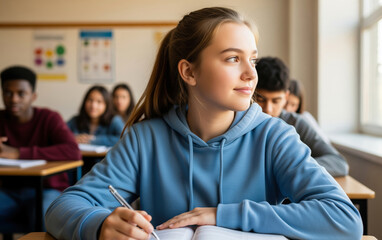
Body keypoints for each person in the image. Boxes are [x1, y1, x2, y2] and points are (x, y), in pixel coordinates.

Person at [45, 7, 362, 240]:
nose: (251, 74)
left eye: (251, 59)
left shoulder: (275, 135)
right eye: (232, 59)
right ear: (189, 72)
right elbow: (62, 207)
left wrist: (222, 215)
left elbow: (345, 219)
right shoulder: (145, 139)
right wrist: (100, 224)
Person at [0, 66, 81, 232]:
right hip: (8, 191)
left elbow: (73, 151)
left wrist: (18, 153)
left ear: (33, 96)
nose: (14, 99)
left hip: (47, 189)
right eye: (8, 93)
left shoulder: (49, 118)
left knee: (46, 214)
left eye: (21, 93)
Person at [255, 57, 348, 177]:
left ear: (286, 97)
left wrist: (293, 167)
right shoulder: (236, 121)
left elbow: (339, 163)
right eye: (260, 99)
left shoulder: (297, 123)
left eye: (276, 101)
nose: (268, 109)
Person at [286, 78, 331, 143]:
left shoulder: (305, 117)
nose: (288, 109)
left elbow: (325, 141)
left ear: (299, 105)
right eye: (286, 103)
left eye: (293, 105)